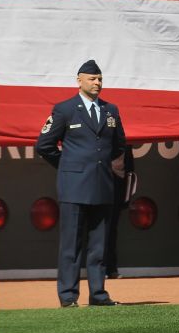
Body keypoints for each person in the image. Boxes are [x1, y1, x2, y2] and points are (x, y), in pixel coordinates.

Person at [35, 59, 128, 307]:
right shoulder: (65, 109)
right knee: (71, 246)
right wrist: (68, 167)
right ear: (79, 81)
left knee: (99, 246)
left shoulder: (111, 110)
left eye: (100, 79)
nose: (97, 83)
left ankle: (98, 294)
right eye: (92, 79)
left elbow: (119, 144)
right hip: (74, 186)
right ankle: (68, 296)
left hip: (103, 185)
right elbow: (44, 145)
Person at [104, 144, 135, 279]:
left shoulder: (124, 137)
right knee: (97, 227)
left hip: (118, 182)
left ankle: (111, 268)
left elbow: (129, 168)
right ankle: (99, 268)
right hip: (97, 179)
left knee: (112, 228)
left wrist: (126, 196)